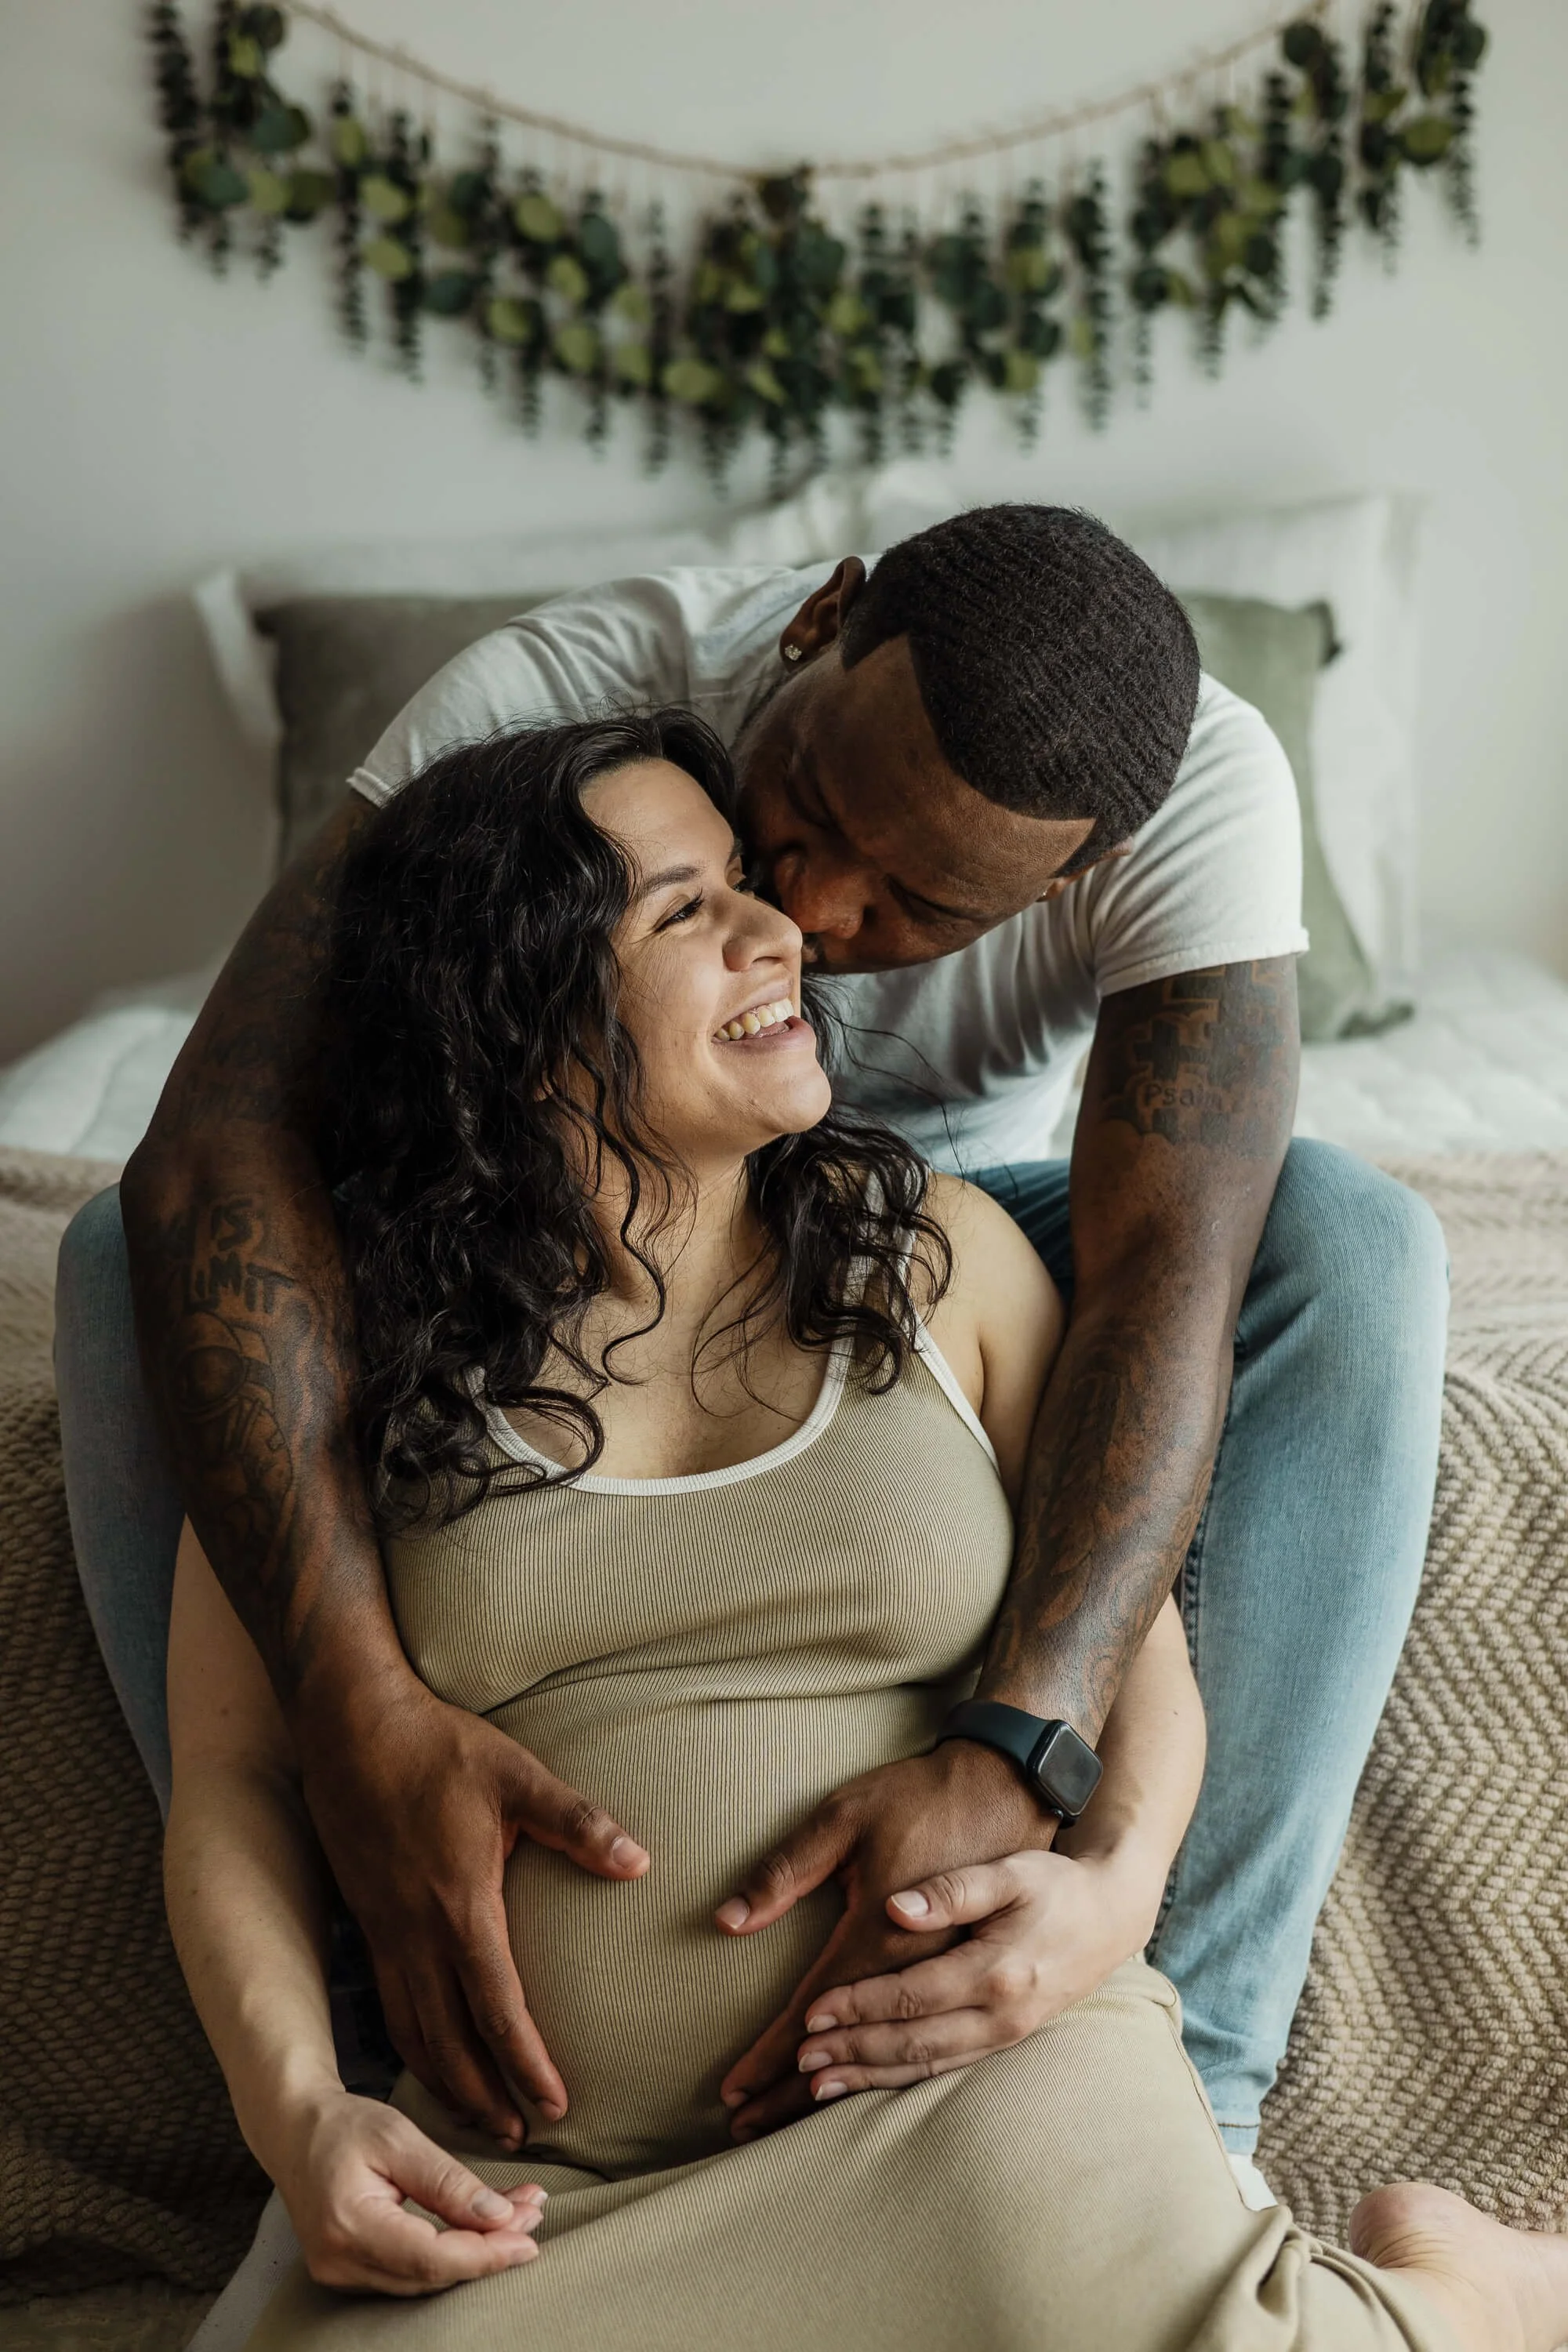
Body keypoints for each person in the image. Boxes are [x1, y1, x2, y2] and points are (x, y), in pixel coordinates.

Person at [56, 503, 1447, 2180]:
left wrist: (1027, 1746)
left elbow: (1165, 1274)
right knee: (130, 1257)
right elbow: (218, 1142)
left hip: (953, 1205)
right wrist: (352, 1708)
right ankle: (348, 2052)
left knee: (1352, 1240)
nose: (816, 907)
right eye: (813, 811)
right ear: (818, 625)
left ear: (1069, 879)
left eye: (923, 899)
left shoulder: (1193, 791)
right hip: (550, 1191)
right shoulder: (553, 696)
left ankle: (1198, 2091)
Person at [165, 713, 1562, 2352]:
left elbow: (1137, 1667)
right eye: (685, 909)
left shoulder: (939, 1259)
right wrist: (299, 2114)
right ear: (512, 1007)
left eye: (744, 881)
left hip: (974, 2095)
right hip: (539, 2186)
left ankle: (1459, 2290)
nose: (783, 932)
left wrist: (1110, 1898)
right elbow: (237, 1784)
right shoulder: (331, 1357)